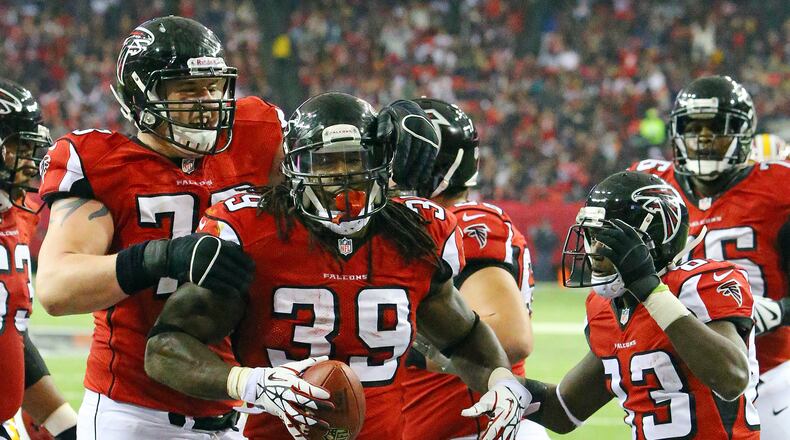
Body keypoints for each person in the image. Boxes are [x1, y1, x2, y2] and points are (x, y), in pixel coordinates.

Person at [144, 92, 536, 440]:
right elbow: (165, 348)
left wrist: (500, 379)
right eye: (327, 162)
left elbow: (464, 336)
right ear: (295, 168)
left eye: (356, 159)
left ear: (383, 164)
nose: (344, 176)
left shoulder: (416, 234)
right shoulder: (252, 233)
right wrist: (248, 382)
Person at [516, 171, 759, 438]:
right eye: (591, 235)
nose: (594, 249)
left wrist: (650, 290)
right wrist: (506, 386)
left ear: (650, 240)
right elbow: (564, 411)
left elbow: (732, 378)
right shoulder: (606, 309)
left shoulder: (697, 284)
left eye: (607, 237)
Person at [631, 75, 790, 439]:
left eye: (716, 127)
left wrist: (780, 310)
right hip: (679, 383)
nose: (703, 137)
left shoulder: (780, 188)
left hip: (771, 375)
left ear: (743, 132)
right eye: (693, 126)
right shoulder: (650, 188)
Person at [399, 97, 546, 440]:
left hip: (474, 429)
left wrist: (394, 346)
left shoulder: (466, 224)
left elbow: (509, 337)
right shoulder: (416, 227)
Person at [0, 78, 78, 440]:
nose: (32, 160)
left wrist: (60, 421)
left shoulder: (18, 216)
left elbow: (10, 332)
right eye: (16, 145)